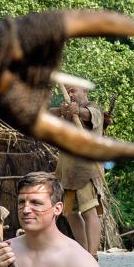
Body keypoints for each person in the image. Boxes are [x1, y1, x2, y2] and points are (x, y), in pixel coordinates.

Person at [52, 87, 106, 257]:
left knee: (89, 211)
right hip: (67, 173)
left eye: (74, 90)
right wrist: (61, 110)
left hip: (86, 171)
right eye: (68, 91)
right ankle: (84, 253)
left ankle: (93, 254)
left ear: (85, 92)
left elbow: (88, 114)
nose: (71, 94)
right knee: (70, 214)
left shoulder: (94, 108)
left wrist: (78, 111)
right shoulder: (65, 113)